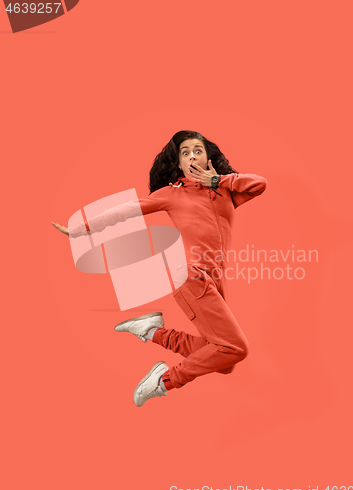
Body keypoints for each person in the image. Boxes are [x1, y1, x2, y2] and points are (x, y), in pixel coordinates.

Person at [52, 130, 268, 407]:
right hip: (191, 276)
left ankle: (152, 331)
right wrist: (80, 229)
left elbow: (259, 184)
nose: (192, 155)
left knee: (224, 360)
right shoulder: (172, 194)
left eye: (198, 150)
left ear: (208, 158)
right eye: (185, 152)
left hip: (214, 279)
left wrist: (216, 180)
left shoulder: (224, 190)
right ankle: (163, 380)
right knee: (235, 348)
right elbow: (127, 210)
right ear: (178, 164)